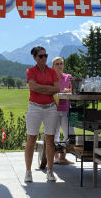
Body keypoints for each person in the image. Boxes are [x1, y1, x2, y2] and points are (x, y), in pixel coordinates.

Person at [24, 46, 59, 183]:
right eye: (41, 56)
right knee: (31, 139)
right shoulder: (30, 71)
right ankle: (28, 171)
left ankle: (50, 171)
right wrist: (48, 89)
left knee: (50, 139)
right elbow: (33, 87)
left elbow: (57, 89)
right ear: (34, 58)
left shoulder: (52, 71)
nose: (44, 58)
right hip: (34, 108)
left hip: (51, 108)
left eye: (46, 55)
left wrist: (41, 88)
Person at [52, 57, 73, 165]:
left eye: (61, 63)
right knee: (54, 134)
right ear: (53, 66)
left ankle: (63, 157)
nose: (60, 65)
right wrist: (61, 91)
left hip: (66, 109)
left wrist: (67, 91)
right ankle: (56, 157)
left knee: (69, 134)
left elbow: (73, 90)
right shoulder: (51, 79)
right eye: (57, 64)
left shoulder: (68, 77)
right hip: (53, 110)